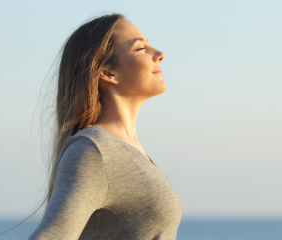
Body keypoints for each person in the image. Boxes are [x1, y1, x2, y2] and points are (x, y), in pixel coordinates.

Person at [27, 13, 183, 239]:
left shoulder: (127, 150)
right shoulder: (93, 150)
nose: (159, 54)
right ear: (107, 73)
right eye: (140, 49)